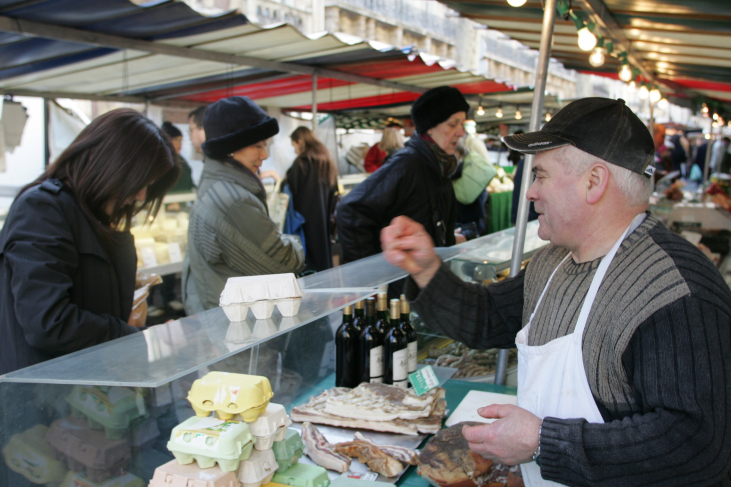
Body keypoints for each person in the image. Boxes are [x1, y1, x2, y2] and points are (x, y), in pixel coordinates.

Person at [382, 97, 731, 486]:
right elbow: (486, 318)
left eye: (541, 175)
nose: (530, 192)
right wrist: (428, 269)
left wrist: (544, 441)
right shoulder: (554, 262)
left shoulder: (674, 291)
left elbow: (697, 446)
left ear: (594, 182)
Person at [0, 109, 180, 374]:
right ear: (105, 161)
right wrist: (136, 337)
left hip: (88, 384)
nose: (141, 195)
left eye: (149, 184)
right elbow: (49, 322)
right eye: (138, 181)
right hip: (44, 395)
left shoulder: (91, 213)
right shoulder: (43, 208)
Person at [182, 96, 305, 314]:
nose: (264, 155)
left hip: (221, 314)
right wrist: (294, 244)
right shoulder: (234, 202)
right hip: (235, 325)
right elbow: (285, 262)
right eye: (257, 146)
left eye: (265, 145)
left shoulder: (216, 182)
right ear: (230, 148)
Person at [337, 85, 469, 265]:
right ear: (429, 128)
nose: (461, 132)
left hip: (428, 278)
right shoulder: (408, 163)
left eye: (462, 123)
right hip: (403, 284)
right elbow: (351, 209)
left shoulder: (441, 166)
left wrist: (448, 240)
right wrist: (370, 277)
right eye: (453, 124)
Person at [288, 126, 339, 272]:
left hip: (303, 223)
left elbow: (291, 189)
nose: (295, 150)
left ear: (299, 141)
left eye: (294, 146)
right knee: (323, 258)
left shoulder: (301, 163)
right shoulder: (326, 159)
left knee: (309, 263)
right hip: (324, 221)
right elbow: (334, 189)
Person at [161, 121, 195, 194]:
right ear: (167, 141)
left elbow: (189, 184)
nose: (179, 144)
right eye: (176, 140)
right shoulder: (161, 162)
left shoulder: (182, 161)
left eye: (180, 140)